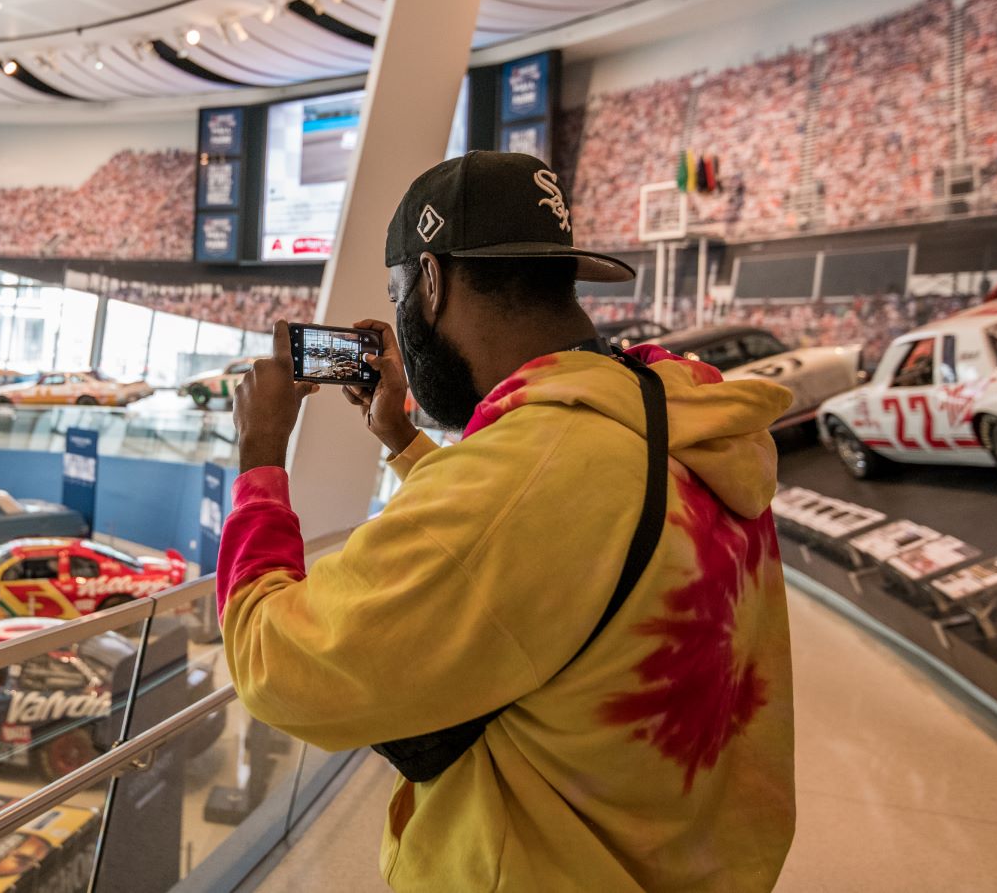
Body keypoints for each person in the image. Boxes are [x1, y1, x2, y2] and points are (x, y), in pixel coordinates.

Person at [221, 151, 797, 892]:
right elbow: (542, 546)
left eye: (399, 291)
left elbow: (275, 668)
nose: (399, 309)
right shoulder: (664, 415)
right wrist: (402, 441)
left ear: (431, 281)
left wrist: (260, 460)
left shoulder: (526, 471)